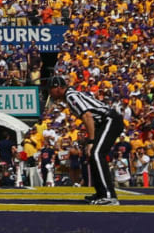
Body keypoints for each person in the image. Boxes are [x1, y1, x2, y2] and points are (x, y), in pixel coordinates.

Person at [48, 76, 122, 205]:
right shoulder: (70, 95)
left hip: (109, 119)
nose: (49, 93)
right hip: (103, 122)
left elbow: (87, 115)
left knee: (97, 154)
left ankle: (109, 196)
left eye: (51, 89)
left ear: (58, 88)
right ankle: (101, 193)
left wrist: (91, 141)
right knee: (93, 156)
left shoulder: (71, 96)